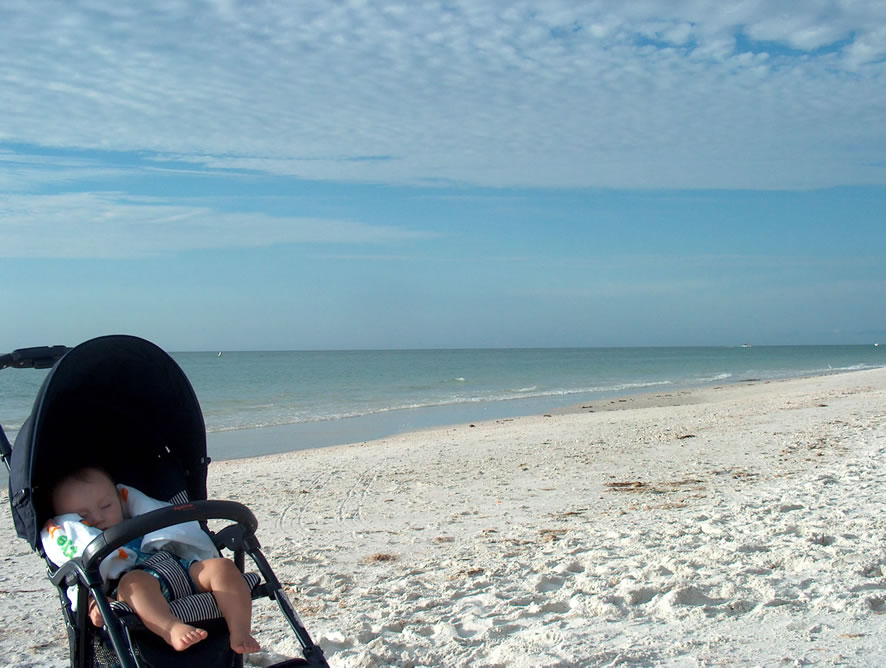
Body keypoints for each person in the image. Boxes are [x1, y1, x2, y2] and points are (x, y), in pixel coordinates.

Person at [50, 467, 260, 654]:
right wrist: (94, 604)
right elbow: (79, 585)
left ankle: (240, 630)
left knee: (222, 567)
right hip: (132, 586)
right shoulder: (84, 545)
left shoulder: (138, 519)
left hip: (181, 569)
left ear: (120, 500)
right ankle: (171, 628)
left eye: (106, 506)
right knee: (136, 583)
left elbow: (179, 538)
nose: (98, 518)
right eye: (83, 517)